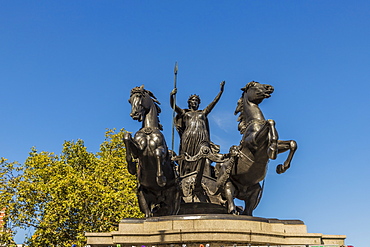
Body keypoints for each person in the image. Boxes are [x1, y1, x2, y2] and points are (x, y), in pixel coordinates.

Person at [170, 81, 225, 176]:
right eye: (193, 100)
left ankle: (206, 176)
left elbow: (213, 103)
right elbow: (174, 106)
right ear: (189, 103)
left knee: (205, 157)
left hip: (202, 139)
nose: (194, 102)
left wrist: (220, 92)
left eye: (196, 101)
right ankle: (185, 176)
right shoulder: (185, 113)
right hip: (188, 139)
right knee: (187, 158)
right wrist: (171, 96)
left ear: (198, 103)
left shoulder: (203, 113)